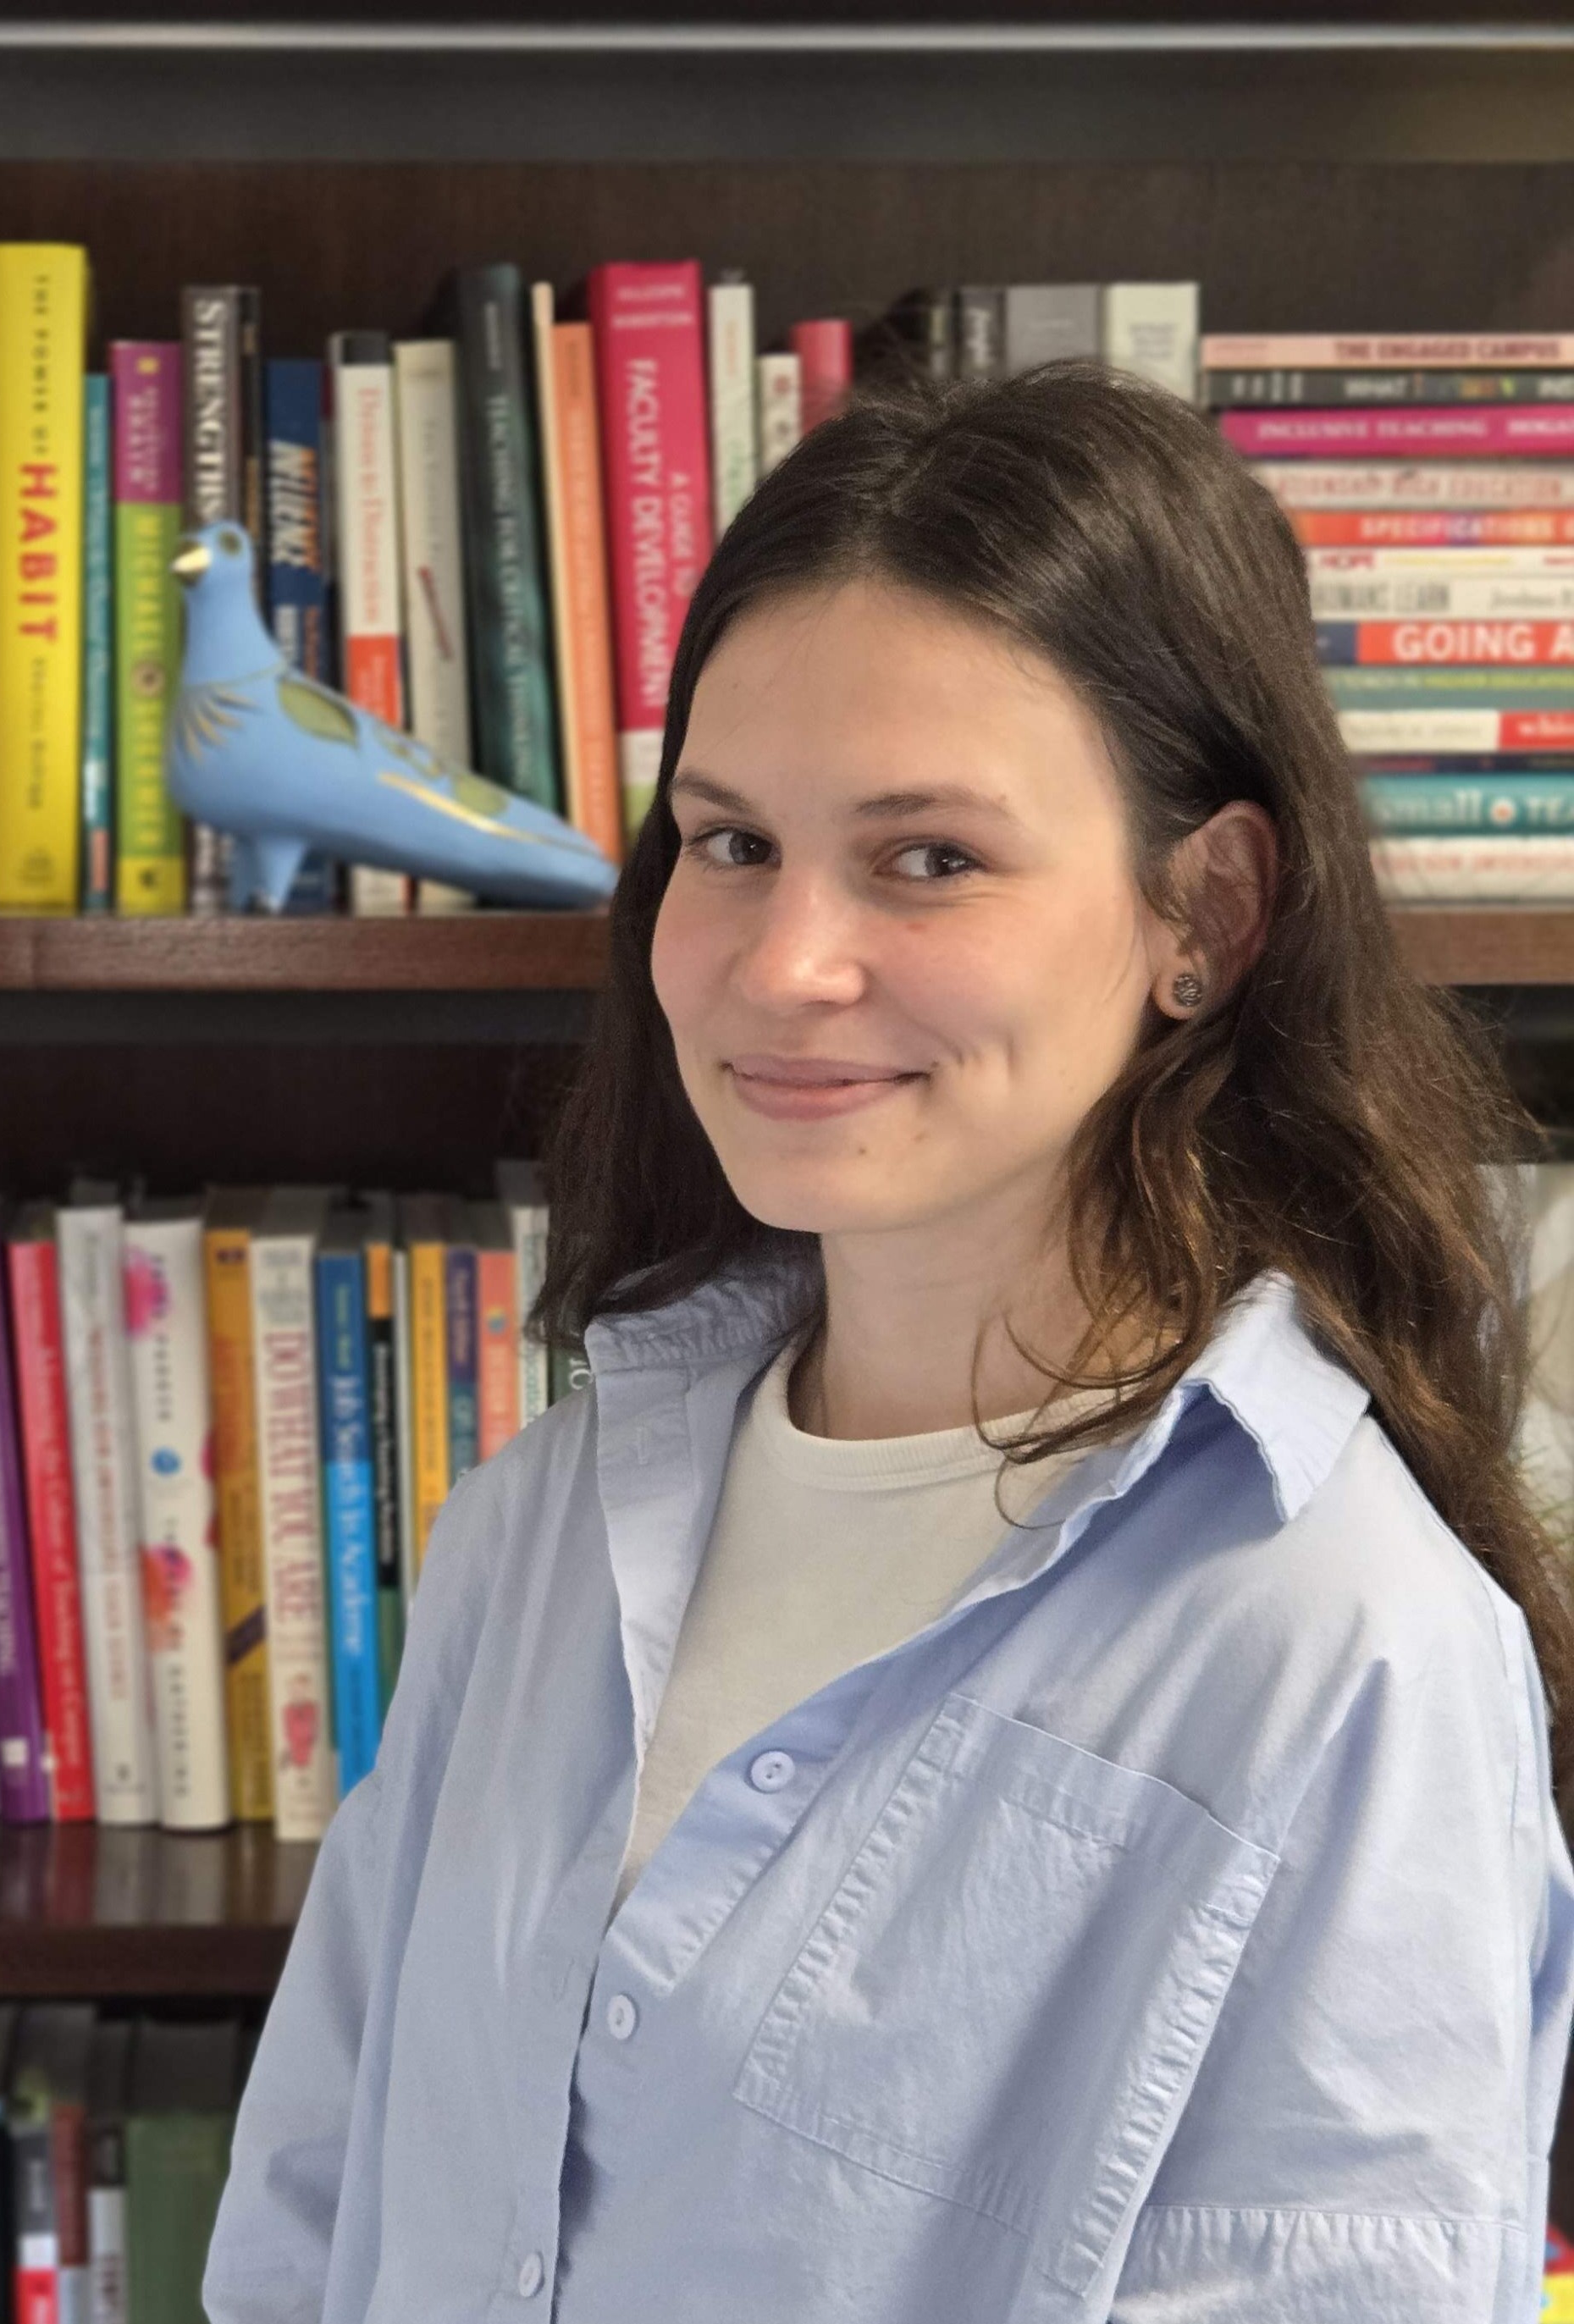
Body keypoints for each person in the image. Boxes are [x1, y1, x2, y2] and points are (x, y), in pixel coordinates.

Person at [203, 365, 1574, 2321]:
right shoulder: (539, 1522)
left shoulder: (1338, 1646)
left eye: (927, 856)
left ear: (1207, 909)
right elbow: (304, 2220)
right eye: (731, 839)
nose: (778, 963)